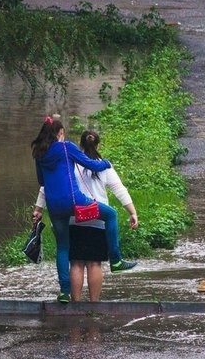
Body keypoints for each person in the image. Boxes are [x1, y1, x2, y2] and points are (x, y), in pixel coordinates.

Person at [31, 117, 137, 303]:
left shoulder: (39, 153)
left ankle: (65, 293)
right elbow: (94, 165)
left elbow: (42, 182)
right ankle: (116, 260)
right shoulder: (67, 148)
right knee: (110, 215)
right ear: (60, 133)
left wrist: (39, 209)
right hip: (76, 204)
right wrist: (107, 163)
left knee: (64, 249)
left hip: (56, 208)